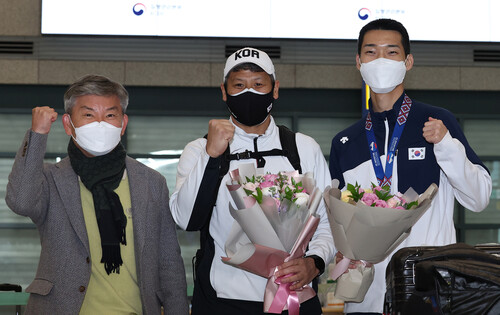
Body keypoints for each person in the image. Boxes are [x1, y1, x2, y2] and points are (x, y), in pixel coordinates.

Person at [329, 19, 492, 314]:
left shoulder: (437, 122)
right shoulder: (345, 142)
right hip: (366, 298)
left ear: (408, 61)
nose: (380, 60)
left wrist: (445, 145)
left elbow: (479, 198)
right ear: (358, 62)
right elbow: (338, 225)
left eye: (391, 52)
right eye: (371, 52)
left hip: (429, 293)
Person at [169, 47, 334, 314]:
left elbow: (326, 220)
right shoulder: (199, 150)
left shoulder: (304, 148)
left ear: (275, 89)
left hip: (293, 297)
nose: (249, 93)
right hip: (222, 301)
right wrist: (212, 156)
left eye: (259, 84)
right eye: (239, 85)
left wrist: (315, 262)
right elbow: (186, 219)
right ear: (224, 92)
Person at [6, 74, 189, 315]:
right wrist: (37, 134)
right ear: (68, 124)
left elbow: (169, 262)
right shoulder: (51, 178)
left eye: (110, 115)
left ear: (123, 124)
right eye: (89, 115)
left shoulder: (150, 182)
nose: (100, 124)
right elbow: (20, 201)